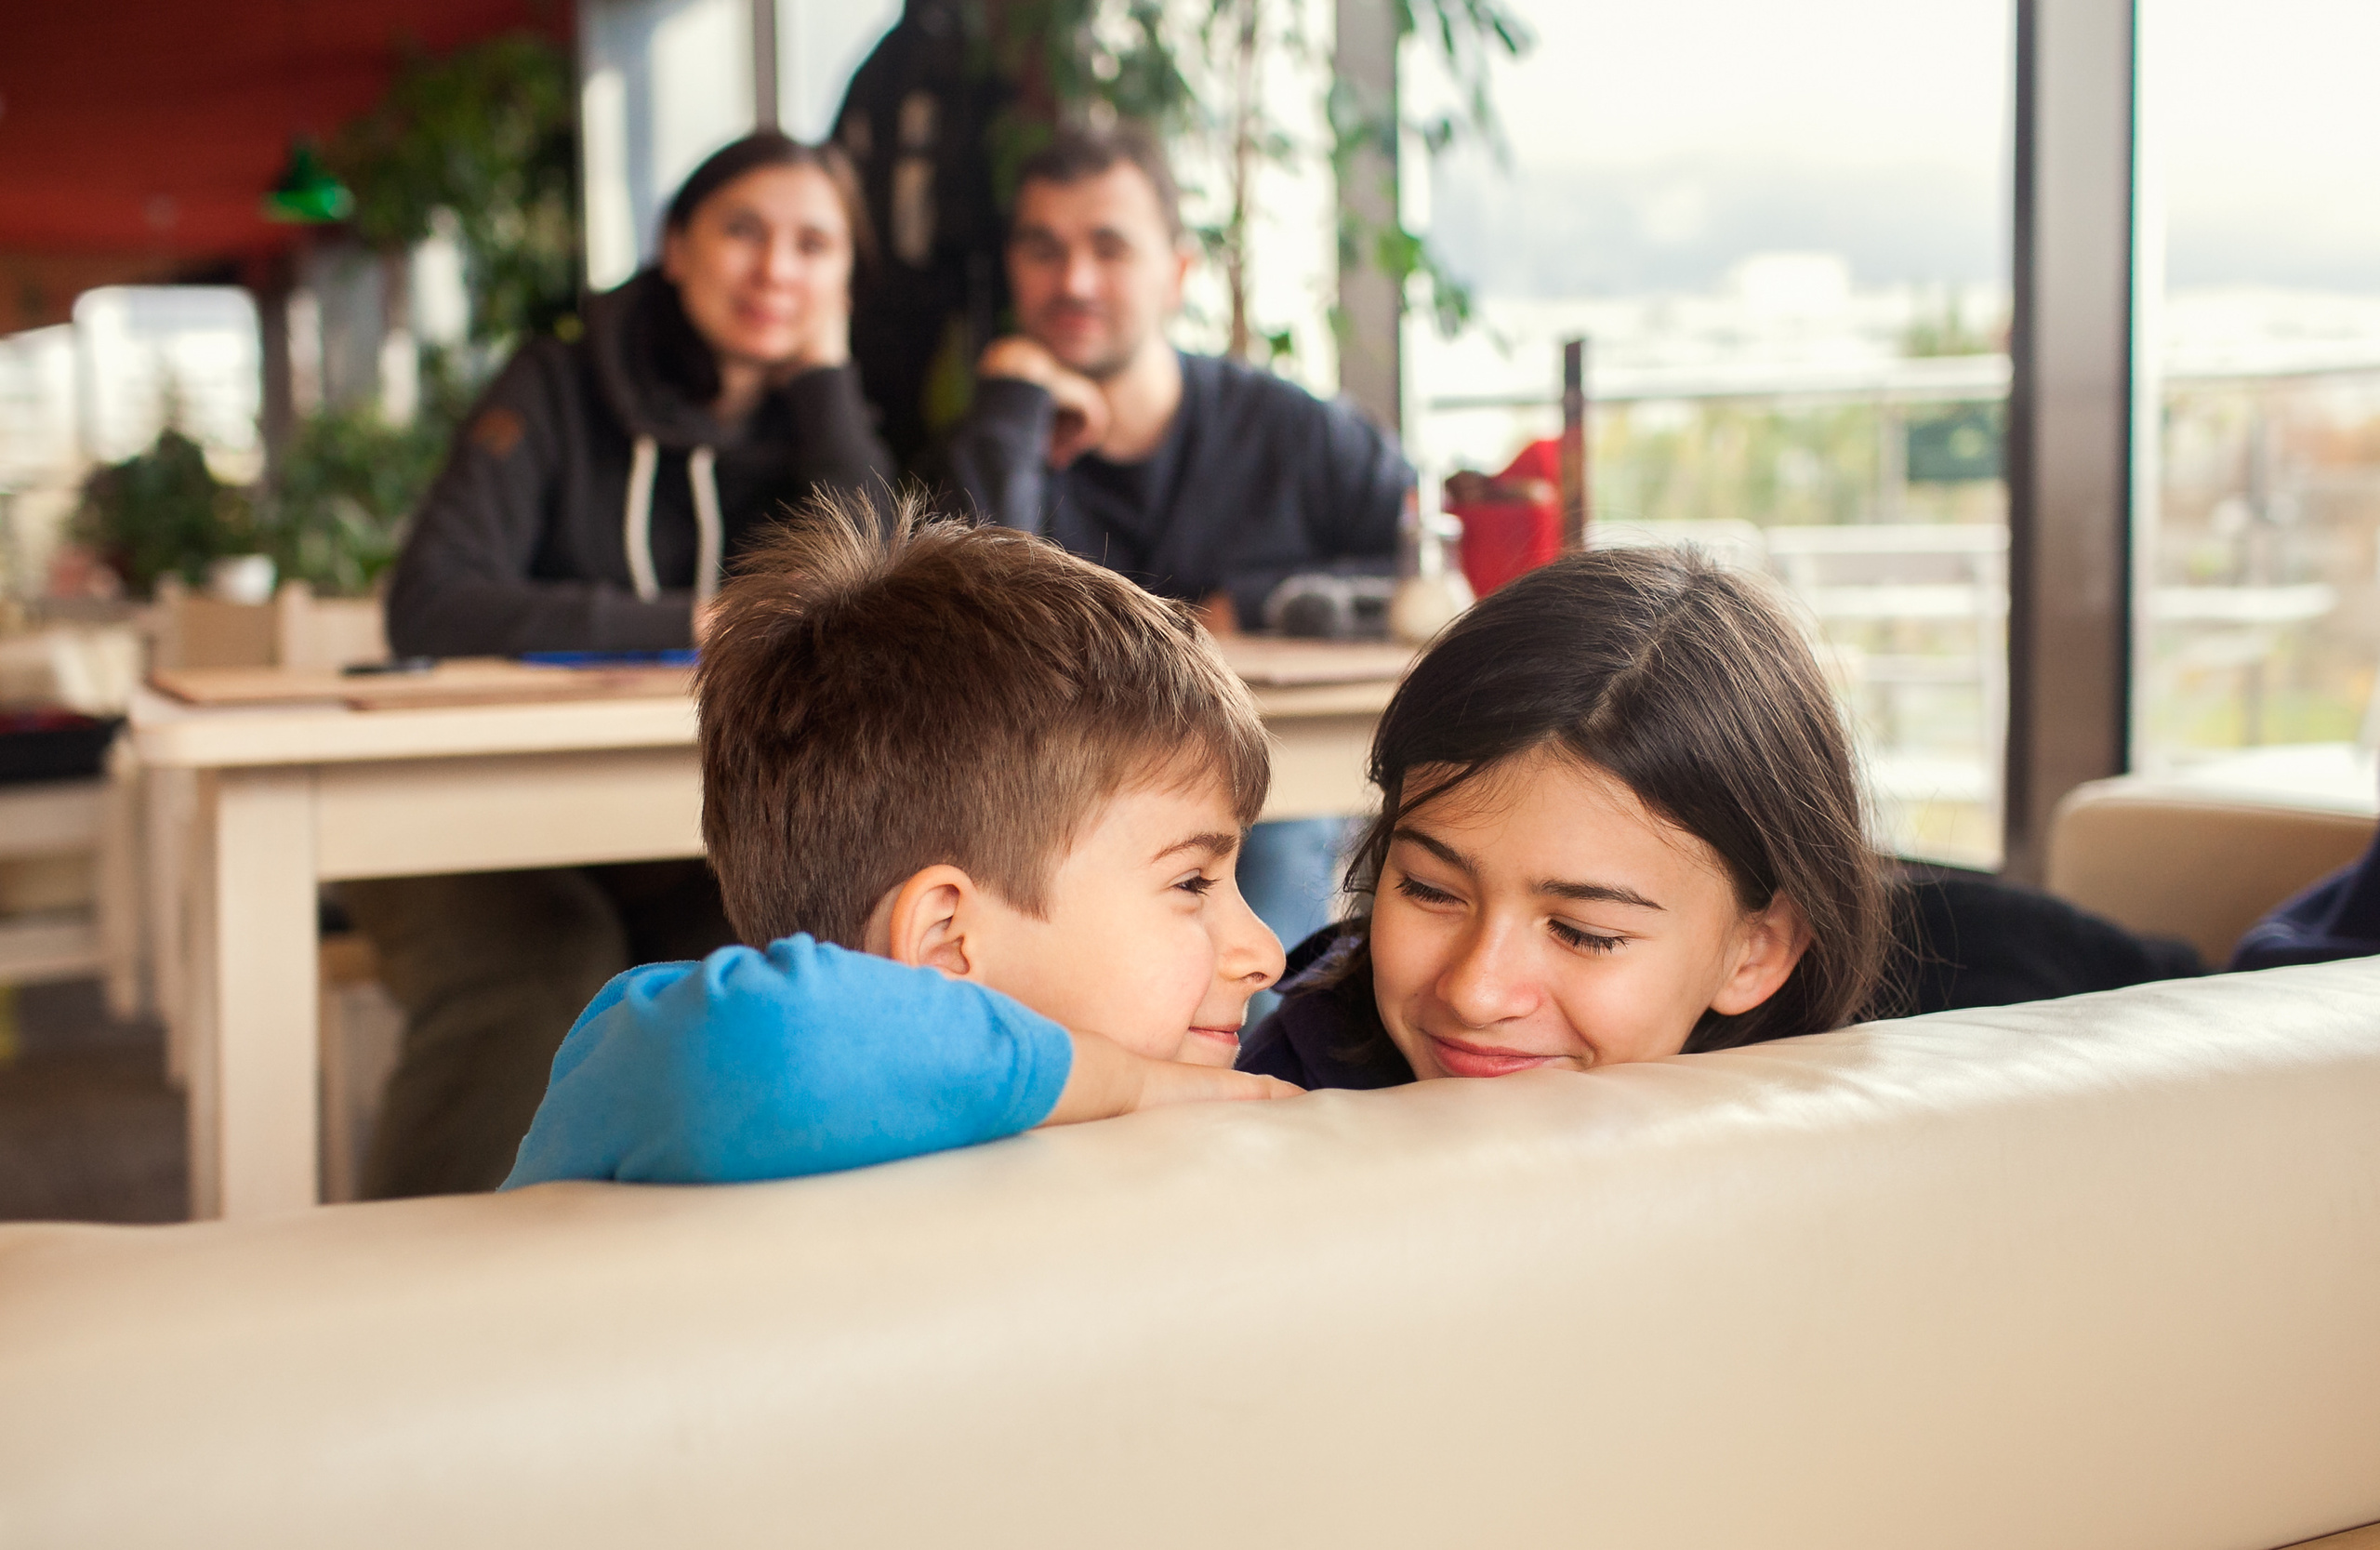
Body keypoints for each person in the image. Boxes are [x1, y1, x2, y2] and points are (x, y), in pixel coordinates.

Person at [350, 133, 893, 1199]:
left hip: (679, 823)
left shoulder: (818, 425)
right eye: (743, 231)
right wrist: (687, 622)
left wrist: (826, 384)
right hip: (457, 809)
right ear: (675, 246)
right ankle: (414, 1293)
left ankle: (671, 1292)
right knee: (541, 960)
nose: (775, 268)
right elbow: (434, 597)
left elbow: (877, 601)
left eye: (813, 245)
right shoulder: (553, 384)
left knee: (767, 969)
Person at [506, 494, 1291, 1187]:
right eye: (1193, 882)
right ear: (946, 941)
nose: (1265, 951)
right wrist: (1127, 1081)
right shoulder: (666, 1061)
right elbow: (768, 1040)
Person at [939, 122, 1408, 959]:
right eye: (1043, 249)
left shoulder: (1293, 431)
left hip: (1273, 792)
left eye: (1109, 248)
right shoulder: (1002, 443)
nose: (1074, 279)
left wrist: (1257, 602)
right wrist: (1014, 404)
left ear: (1177, 272)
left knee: (1247, 891)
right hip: (1058, 809)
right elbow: (970, 633)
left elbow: (1433, 574)